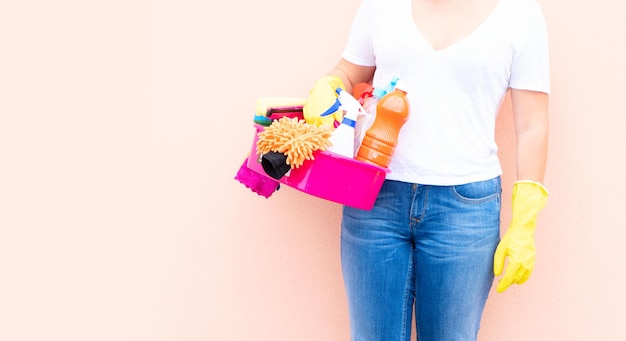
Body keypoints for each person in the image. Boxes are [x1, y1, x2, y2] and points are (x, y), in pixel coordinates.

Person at [302, 0, 550, 340]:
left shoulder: (519, 13)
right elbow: (349, 72)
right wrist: (328, 85)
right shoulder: (381, 6)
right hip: (375, 198)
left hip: (466, 208)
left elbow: (532, 125)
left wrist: (525, 222)